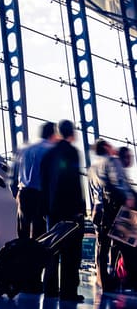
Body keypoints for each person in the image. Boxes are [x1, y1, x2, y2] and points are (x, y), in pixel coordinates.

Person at [41, 120, 86, 302]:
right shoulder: (71, 152)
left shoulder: (48, 154)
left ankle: (49, 288)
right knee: (71, 252)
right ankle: (68, 291)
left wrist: (45, 208)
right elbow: (73, 181)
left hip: (52, 210)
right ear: (72, 133)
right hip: (69, 210)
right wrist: (79, 209)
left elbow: (44, 183)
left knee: (52, 248)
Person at [88, 139, 135, 292]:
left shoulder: (92, 168)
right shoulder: (111, 162)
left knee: (102, 247)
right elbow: (118, 182)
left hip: (97, 210)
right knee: (126, 245)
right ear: (106, 148)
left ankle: (103, 281)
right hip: (112, 210)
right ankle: (129, 280)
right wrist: (129, 197)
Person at [14, 122, 57, 242]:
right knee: (39, 234)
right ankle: (35, 259)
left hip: (23, 193)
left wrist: (17, 192)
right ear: (53, 134)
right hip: (40, 195)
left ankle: (22, 259)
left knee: (23, 232)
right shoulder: (50, 150)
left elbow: (14, 173)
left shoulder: (26, 149)